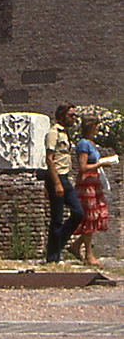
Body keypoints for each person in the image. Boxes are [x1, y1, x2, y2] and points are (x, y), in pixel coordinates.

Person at [46, 103, 86, 263]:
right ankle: (52, 256)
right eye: (71, 115)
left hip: (65, 177)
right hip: (56, 178)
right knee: (57, 218)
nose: (74, 118)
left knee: (78, 213)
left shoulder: (66, 134)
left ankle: (57, 246)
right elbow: (49, 159)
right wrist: (56, 183)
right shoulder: (53, 133)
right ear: (61, 115)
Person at [74, 116, 110, 265]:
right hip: (86, 183)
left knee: (97, 216)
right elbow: (83, 167)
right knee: (89, 217)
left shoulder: (91, 144)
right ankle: (88, 255)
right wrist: (99, 164)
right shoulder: (83, 144)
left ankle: (76, 245)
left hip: (94, 183)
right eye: (96, 126)